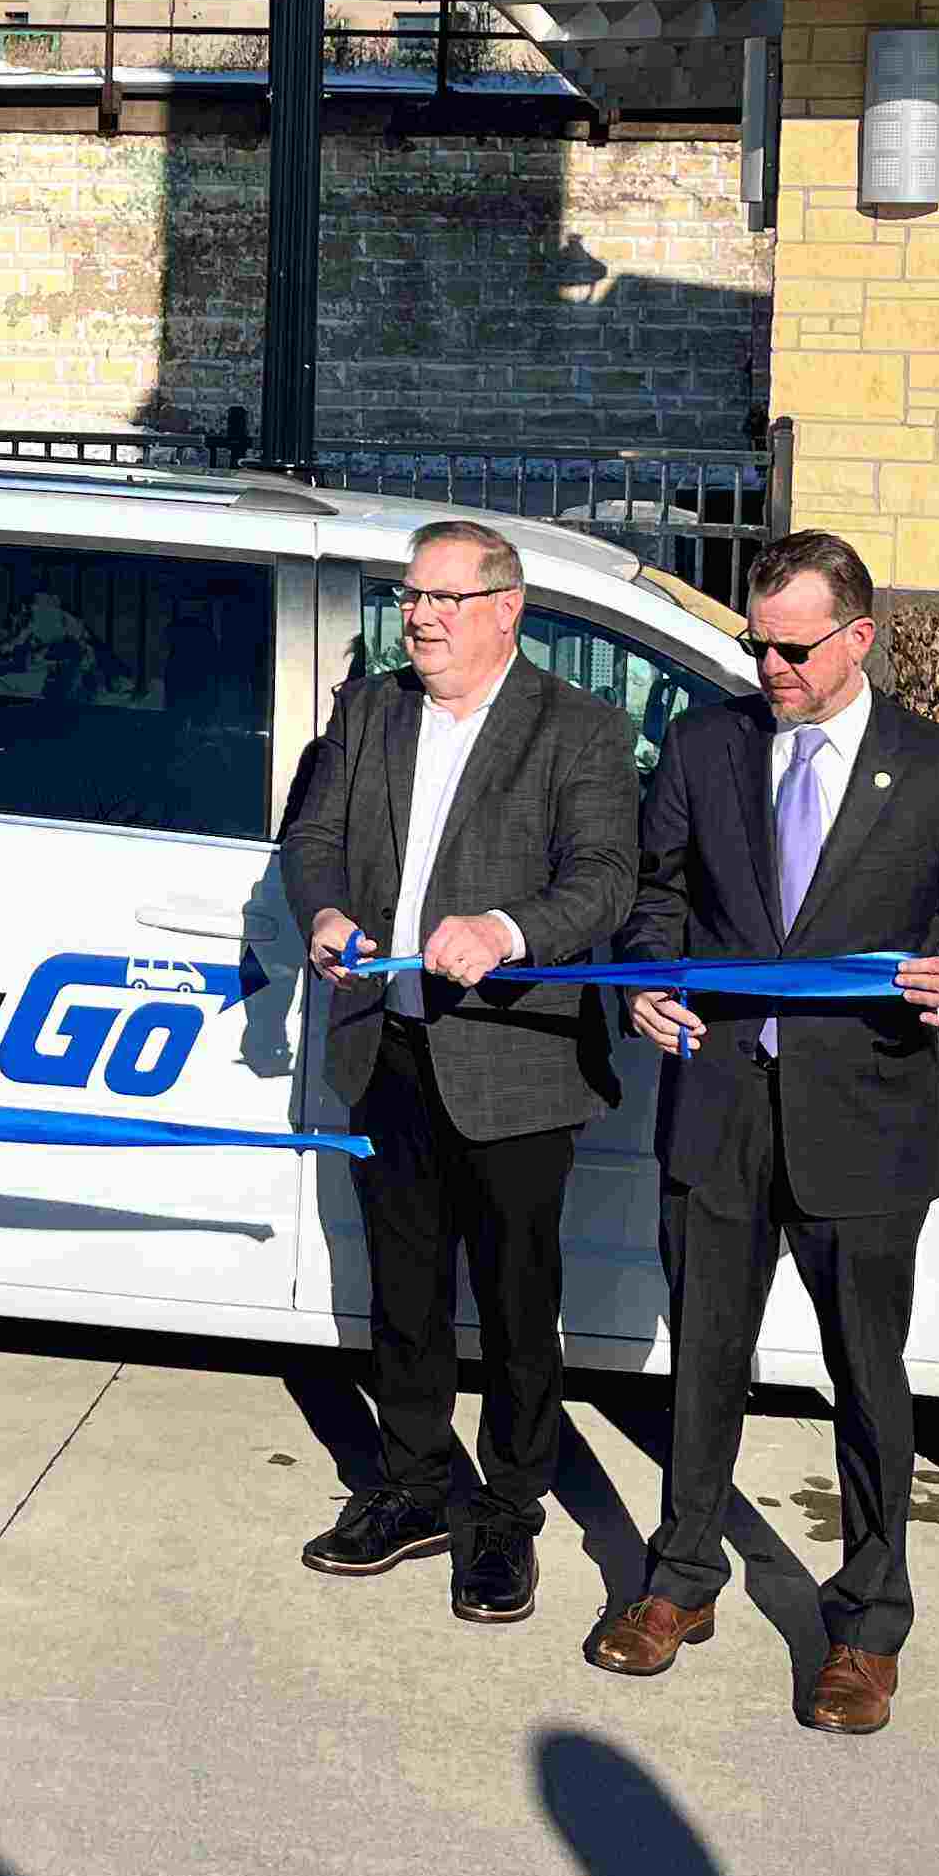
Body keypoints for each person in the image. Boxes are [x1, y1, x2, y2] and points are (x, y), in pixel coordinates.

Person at [586, 529, 939, 1736]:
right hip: (720, 1108)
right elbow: (656, 894)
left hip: (865, 1125)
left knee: (866, 1382)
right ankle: (680, 1581)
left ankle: (864, 1625)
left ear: (858, 639)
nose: (773, 668)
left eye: (795, 648)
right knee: (700, 1363)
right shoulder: (705, 746)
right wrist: (648, 977)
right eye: (759, 644)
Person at [283, 517, 640, 1626]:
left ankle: (510, 1512)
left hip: (515, 1062)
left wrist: (507, 929)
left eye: (443, 599)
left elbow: (606, 880)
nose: (421, 618)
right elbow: (312, 837)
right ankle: (416, 1486)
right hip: (384, 1045)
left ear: (506, 609)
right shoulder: (373, 711)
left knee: (520, 1305)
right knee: (405, 1293)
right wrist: (329, 910)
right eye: (410, 597)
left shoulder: (578, 730)